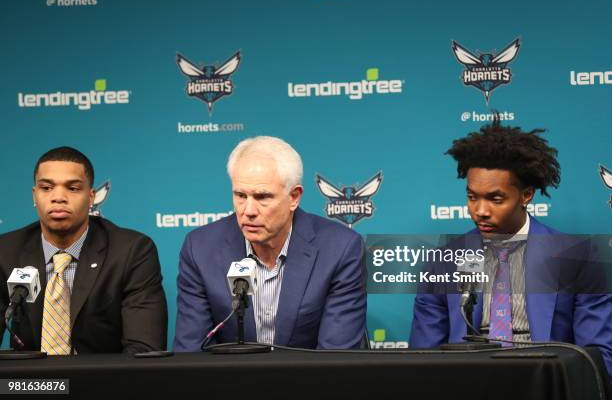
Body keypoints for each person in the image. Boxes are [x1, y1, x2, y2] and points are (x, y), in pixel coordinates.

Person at [410, 121, 612, 375]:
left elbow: (596, 358)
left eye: (495, 199)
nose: (480, 211)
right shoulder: (444, 260)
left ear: (526, 195)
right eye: (472, 197)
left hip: (543, 382)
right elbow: (421, 358)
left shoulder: (578, 256)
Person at [174, 136, 366, 350]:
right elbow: (191, 354)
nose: (248, 211)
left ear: (294, 197)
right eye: (240, 195)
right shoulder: (200, 249)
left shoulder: (340, 249)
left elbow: (335, 359)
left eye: (262, 197)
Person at [0, 147, 167, 354]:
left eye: (72, 188)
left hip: (104, 382)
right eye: (47, 187)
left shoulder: (131, 252)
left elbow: (143, 350)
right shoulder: (5, 252)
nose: (58, 197)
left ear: (91, 197)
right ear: (35, 195)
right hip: (31, 386)